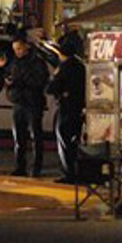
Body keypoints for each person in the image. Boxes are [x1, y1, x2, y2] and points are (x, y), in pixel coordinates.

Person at [0, 35, 50, 177]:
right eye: (15, 49)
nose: (18, 51)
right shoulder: (14, 62)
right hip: (18, 102)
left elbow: (40, 81)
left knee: (36, 135)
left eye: (20, 48)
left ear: (26, 47)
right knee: (19, 137)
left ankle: (36, 168)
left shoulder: (37, 62)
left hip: (33, 103)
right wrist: (9, 83)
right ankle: (20, 167)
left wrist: (19, 80)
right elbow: (8, 76)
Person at [46, 37, 85, 183]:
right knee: (73, 140)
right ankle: (75, 171)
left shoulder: (64, 67)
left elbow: (51, 87)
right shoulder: (81, 66)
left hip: (67, 107)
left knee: (64, 139)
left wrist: (54, 81)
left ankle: (69, 173)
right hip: (78, 107)